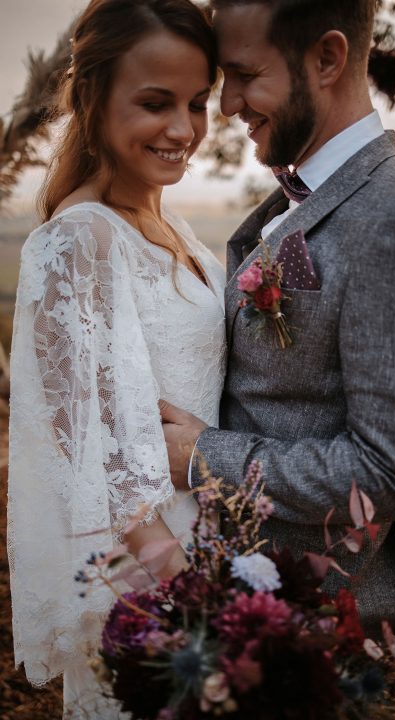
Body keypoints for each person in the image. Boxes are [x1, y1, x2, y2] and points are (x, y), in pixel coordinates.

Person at [162, 0, 395, 636]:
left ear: (328, 58)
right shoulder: (294, 200)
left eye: (246, 75)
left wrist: (205, 458)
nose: (228, 106)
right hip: (238, 606)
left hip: (313, 630)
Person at [7, 1, 225, 717]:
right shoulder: (78, 241)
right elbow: (89, 452)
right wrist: (181, 602)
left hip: (220, 551)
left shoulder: (176, 230)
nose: (184, 129)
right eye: (156, 103)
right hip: (148, 583)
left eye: (198, 103)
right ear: (95, 98)